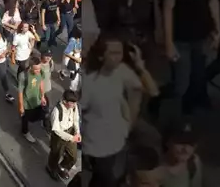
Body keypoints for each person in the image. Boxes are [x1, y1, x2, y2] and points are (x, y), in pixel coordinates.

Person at [158, 0, 220, 116]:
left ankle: (186, 115)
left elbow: (213, 1)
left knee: (198, 77)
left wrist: (218, 29)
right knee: (180, 85)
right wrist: (169, 43)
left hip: (202, 36)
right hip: (181, 38)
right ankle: (158, 98)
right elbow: (167, 9)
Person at [82, 35, 159, 187]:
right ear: (100, 56)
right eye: (113, 53)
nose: (118, 57)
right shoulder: (89, 81)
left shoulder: (122, 71)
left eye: (120, 52)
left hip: (119, 136)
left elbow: (153, 91)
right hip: (97, 144)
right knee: (106, 179)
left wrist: (140, 66)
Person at [46, 89, 81, 181]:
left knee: (73, 157)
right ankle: (51, 168)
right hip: (59, 136)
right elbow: (56, 130)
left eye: (75, 103)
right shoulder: (56, 111)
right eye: (72, 103)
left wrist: (77, 132)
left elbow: (76, 119)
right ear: (65, 101)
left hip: (71, 132)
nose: (74, 105)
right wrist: (71, 137)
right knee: (55, 154)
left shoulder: (74, 106)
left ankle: (61, 167)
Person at [159, 120, 204, 187]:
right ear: (167, 142)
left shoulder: (194, 163)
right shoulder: (155, 166)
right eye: (180, 142)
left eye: (190, 144)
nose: (185, 149)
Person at [18, 57, 47, 143]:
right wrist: (21, 106)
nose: (38, 71)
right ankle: (25, 132)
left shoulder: (41, 71)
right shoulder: (23, 75)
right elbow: (20, 92)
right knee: (25, 118)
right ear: (30, 67)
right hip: (27, 101)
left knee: (40, 113)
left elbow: (41, 82)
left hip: (36, 98)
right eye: (36, 69)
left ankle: (43, 124)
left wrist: (42, 96)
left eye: (39, 68)